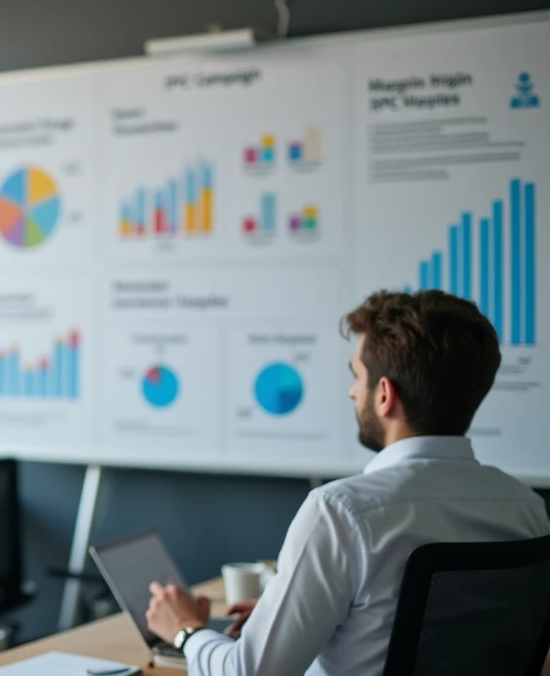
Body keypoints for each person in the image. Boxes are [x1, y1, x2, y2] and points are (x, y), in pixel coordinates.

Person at [145, 289, 550, 676]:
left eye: (358, 376)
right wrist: (293, 618)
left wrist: (186, 630)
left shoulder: (341, 511)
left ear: (385, 395)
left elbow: (249, 672)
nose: (352, 391)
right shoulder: (527, 508)